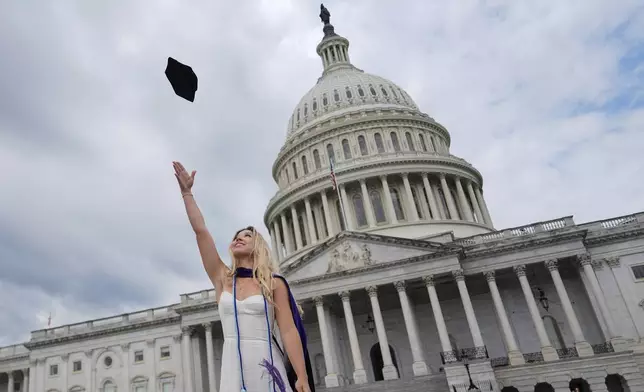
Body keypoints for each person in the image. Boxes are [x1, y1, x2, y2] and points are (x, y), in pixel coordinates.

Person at [173, 161, 312, 392]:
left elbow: (288, 330)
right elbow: (201, 232)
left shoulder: (273, 283)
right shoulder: (222, 278)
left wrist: (301, 376)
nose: (239, 238)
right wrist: (187, 193)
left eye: (247, 235)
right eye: (236, 236)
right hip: (233, 366)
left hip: (266, 363)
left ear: (258, 246)